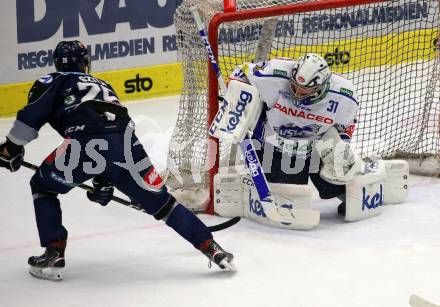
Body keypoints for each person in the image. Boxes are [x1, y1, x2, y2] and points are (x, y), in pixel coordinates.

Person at [0, 40, 234, 281]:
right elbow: (108, 133)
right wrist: (105, 179)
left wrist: (9, 150)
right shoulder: (103, 84)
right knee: (164, 204)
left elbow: (30, 119)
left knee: (42, 187)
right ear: (86, 64)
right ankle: (211, 247)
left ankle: (53, 252)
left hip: (83, 143)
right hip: (128, 147)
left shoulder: (53, 81)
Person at [228, 53, 359, 215]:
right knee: (289, 199)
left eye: (304, 89)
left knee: (342, 165)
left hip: (316, 146)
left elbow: (346, 125)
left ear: (320, 86)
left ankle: (348, 193)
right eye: (294, 84)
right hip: (274, 146)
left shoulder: (344, 95)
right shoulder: (274, 73)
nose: (296, 92)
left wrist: (340, 150)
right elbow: (240, 73)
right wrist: (237, 100)